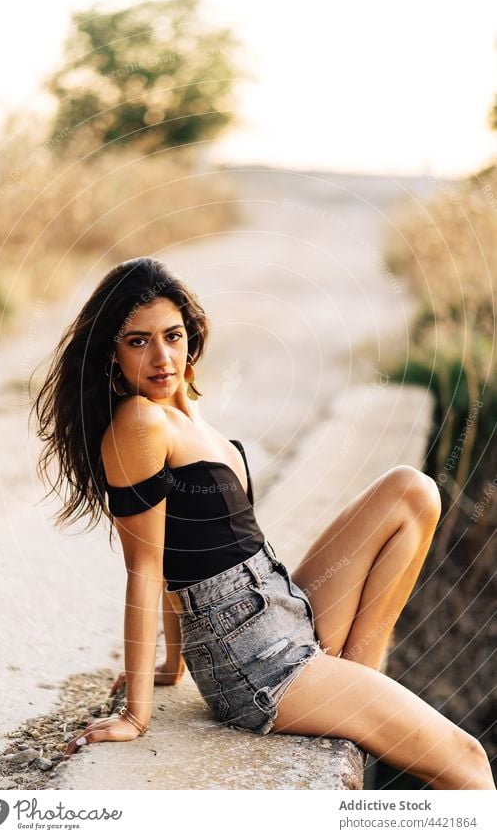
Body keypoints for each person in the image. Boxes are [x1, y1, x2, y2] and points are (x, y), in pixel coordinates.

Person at [30, 256, 495, 790]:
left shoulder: (187, 415)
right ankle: (357, 704)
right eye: (138, 342)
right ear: (111, 353)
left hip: (282, 607)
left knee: (412, 492)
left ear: (191, 336)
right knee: (470, 762)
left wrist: (174, 663)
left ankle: (358, 685)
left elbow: (190, 543)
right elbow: (147, 565)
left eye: (172, 336)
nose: (161, 356)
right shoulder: (139, 421)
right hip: (255, 664)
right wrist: (137, 712)